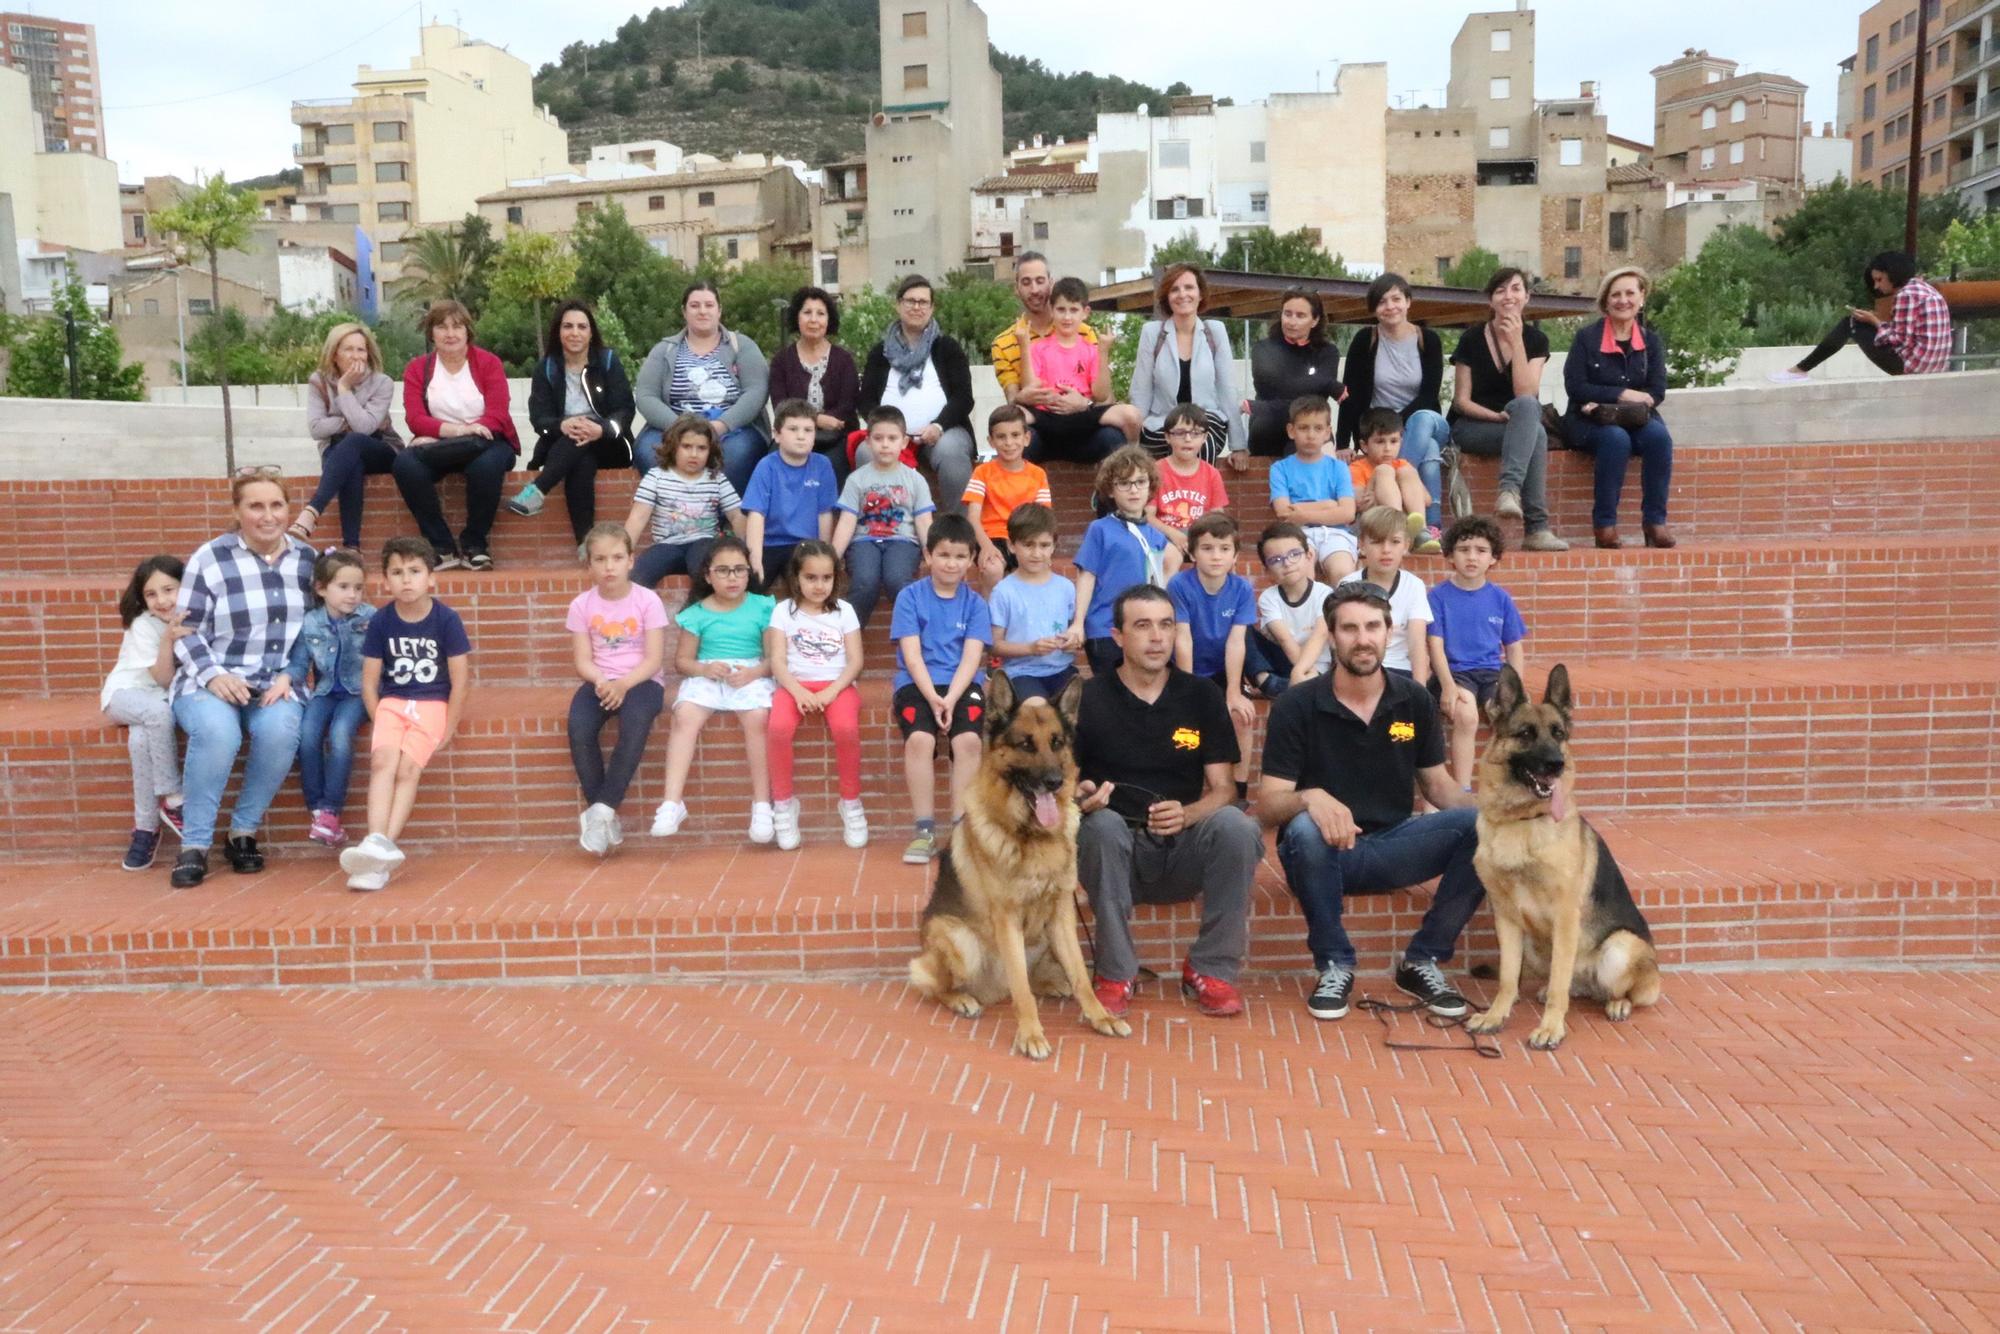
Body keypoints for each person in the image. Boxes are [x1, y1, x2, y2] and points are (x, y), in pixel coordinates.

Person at [1257, 583, 1488, 1021]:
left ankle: (1422, 961)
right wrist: (1310, 797)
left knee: (1482, 826)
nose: (1362, 638)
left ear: (1389, 631)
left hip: (1395, 845)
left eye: (1372, 627)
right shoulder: (1297, 704)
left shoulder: (1414, 700)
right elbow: (1268, 806)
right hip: (1320, 853)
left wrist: (1498, 813)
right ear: (1331, 634)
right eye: (1349, 628)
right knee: (1305, 826)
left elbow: (1438, 787)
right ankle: (1334, 965)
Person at [1075, 584, 1261, 1020]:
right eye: (1142, 626)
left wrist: (1189, 813)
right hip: (1113, 851)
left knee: (1238, 827)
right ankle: (1115, 973)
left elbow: (1224, 789)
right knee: (1100, 828)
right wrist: (1082, 796)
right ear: (1118, 637)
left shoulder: (1200, 696)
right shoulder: (1087, 698)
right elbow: (1061, 780)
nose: (1157, 637)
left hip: (1183, 850)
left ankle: (1210, 969)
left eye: (1165, 625)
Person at [165, 469, 314, 889]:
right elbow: (184, 630)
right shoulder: (210, 559)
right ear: (237, 511)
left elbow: (314, 630)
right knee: (217, 733)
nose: (268, 516)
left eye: (277, 505)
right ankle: (194, 846)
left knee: (282, 730)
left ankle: (241, 833)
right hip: (210, 679)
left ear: (288, 509)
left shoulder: (308, 560)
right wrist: (213, 676)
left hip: (275, 683)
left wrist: (292, 673)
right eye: (256, 506)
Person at [338, 536, 473, 892]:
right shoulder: (382, 621)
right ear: (385, 581)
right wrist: (378, 713)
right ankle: (376, 844)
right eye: (397, 572)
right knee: (383, 762)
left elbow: (460, 680)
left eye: (414, 571)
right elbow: (370, 682)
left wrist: (451, 725)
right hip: (393, 704)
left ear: (431, 577)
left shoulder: (447, 620)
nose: (406, 579)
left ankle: (380, 847)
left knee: (408, 769)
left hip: (431, 705)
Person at [649, 535, 777, 842]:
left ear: (749, 572)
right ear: (707, 576)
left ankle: (762, 805)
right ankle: (671, 802)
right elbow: (682, 661)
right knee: (685, 716)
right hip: (708, 674)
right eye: (722, 571)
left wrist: (754, 672)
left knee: (758, 717)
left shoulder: (763, 607)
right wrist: (705, 669)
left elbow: (775, 659)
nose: (732, 577)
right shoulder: (697, 613)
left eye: (739, 569)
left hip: (751, 671)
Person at [890, 514, 991, 864]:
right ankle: (924, 830)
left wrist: (949, 698)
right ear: (929, 555)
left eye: (961, 556)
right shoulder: (909, 597)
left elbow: (972, 658)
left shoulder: (976, 604)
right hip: (916, 684)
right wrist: (933, 697)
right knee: (921, 739)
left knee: (969, 741)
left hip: (961, 684)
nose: (952, 563)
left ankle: (963, 832)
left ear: (971, 560)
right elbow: (912, 655)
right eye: (944, 555)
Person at [1448, 269, 1569, 552]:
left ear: (1527, 297)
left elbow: (1525, 393)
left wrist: (1517, 341)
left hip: (1518, 423)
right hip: (1472, 425)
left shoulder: (1535, 340)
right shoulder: (1472, 338)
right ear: (1491, 300)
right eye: (1500, 290)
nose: (1509, 296)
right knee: (1534, 431)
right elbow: (1460, 401)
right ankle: (1536, 527)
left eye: (1516, 289)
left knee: (1529, 412)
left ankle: (1509, 491)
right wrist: (1497, 417)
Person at [566, 523, 668, 858]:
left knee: (634, 723)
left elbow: (654, 658)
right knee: (579, 727)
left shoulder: (647, 600)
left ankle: (603, 810)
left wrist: (624, 684)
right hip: (600, 680)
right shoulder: (582, 605)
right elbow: (582, 660)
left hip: (642, 681)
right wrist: (601, 681)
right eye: (600, 559)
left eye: (616, 557)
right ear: (590, 564)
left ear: (630, 561)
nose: (609, 566)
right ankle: (602, 815)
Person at [393, 300, 518, 571]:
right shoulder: (417, 369)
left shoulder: (488, 363)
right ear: (431, 333)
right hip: (442, 446)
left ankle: (475, 545)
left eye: (457, 326)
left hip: (487, 443)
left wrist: (473, 431)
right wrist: (459, 431)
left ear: (467, 332)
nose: (450, 334)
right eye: (442, 327)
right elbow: (415, 418)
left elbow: (497, 414)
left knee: (486, 467)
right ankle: (442, 547)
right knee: (405, 465)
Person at [764, 541, 868, 851]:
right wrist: (796, 691)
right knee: (778, 728)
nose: (819, 585)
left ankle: (850, 803)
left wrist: (832, 691)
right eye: (811, 578)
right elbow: (777, 661)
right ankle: (783, 804)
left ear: (836, 578)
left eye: (826, 578)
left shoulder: (844, 611)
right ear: (796, 578)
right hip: (794, 686)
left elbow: (856, 661)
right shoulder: (783, 612)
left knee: (846, 729)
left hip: (837, 686)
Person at [507, 300, 637, 541]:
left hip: (611, 445)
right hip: (565, 444)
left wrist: (601, 429)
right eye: (568, 326)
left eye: (581, 326)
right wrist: (561, 425)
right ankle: (584, 544)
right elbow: (539, 418)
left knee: (580, 440)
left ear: (591, 332)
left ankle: (538, 489)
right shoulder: (547, 368)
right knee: (581, 459)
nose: (574, 333)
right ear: (558, 331)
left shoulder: (607, 362)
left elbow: (625, 410)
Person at [1564, 266, 1674, 550]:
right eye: (1616, 295)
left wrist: (1629, 399)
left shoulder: (1651, 342)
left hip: (1635, 418)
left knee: (1659, 438)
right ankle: (1604, 525)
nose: (1623, 300)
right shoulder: (1587, 338)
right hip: (1589, 420)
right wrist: (1624, 393)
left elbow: (1656, 392)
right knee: (1616, 439)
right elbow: (1576, 387)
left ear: (1641, 298)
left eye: (1629, 293)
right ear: (1606, 301)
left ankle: (1654, 522)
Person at [633, 280, 771, 494]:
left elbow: (756, 391)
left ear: (719, 310)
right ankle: (677, 517)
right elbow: (646, 394)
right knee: (647, 453)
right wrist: (680, 427)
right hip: (672, 427)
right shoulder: (664, 350)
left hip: (732, 429)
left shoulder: (742, 346)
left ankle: (721, 522)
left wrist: (722, 425)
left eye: (709, 305)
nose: (702, 311)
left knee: (736, 455)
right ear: (684, 311)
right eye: (695, 305)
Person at [990, 251, 1127, 465]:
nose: (1034, 290)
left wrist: (1085, 404)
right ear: (1016, 289)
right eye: (1026, 282)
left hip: (1081, 427)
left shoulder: (1084, 332)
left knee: (1114, 439)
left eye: (1040, 281)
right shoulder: (1004, 342)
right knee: (1020, 441)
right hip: (1040, 428)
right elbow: (1012, 402)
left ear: (1051, 283)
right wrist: (1027, 397)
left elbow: (1105, 397)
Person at [1339, 274, 1449, 539]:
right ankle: (1429, 527)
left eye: (1396, 299)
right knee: (1430, 453)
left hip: (1425, 423)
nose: (1390, 306)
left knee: (1423, 423)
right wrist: (1343, 441)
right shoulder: (1366, 340)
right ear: (1374, 309)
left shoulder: (1428, 339)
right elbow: (1349, 394)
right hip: (1382, 430)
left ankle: (1396, 484)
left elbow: (1429, 394)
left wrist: (1397, 425)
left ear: (1408, 302)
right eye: (1381, 302)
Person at [860, 274, 978, 517]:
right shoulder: (879, 353)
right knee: (864, 452)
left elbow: (963, 397)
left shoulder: (947, 348)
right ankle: (879, 528)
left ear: (932, 307)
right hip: (891, 435)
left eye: (923, 302)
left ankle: (960, 533)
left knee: (951, 453)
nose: (916, 307)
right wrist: (888, 431)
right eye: (910, 301)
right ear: (898, 305)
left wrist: (938, 426)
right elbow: (866, 400)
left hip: (943, 432)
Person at [102, 555, 188, 871]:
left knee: (140, 741)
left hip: (154, 703)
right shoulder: (143, 625)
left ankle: (145, 829)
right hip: (123, 696)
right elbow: (163, 678)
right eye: (152, 594)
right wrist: (168, 639)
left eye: (169, 589)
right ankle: (173, 797)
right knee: (158, 715)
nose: (162, 600)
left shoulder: (194, 617)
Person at [1426, 516, 1526, 791]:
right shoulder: (1438, 597)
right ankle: (1462, 791)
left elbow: (1514, 647)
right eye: (1464, 549)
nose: (1472, 557)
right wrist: (1446, 685)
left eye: (1481, 551)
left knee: (1508, 715)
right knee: (1467, 714)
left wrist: (1516, 688)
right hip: (1457, 673)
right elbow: (1435, 645)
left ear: (1493, 558)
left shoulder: (1500, 598)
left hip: (1491, 673)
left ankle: (1508, 785)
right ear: (1450, 556)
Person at [1167, 512, 1261, 804]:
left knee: (1241, 716)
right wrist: (1189, 690)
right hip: (1183, 671)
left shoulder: (1242, 588)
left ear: (1235, 554)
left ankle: (1238, 794)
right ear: (1192, 553)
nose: (1216, 557)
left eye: (1224, 549)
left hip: (1222, 670)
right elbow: (1183, 639)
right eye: (1207, 549)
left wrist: (1233, 691)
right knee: (1185, 726)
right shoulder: (1179, 586)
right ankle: (1186, 794)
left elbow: (1236, 642)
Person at [286, 549, 374, 849]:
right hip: (325, 692)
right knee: (307, 735)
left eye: (358, 587)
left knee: (339, 734)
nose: (353, 595)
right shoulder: (310, 623)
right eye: (344, 587)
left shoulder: (370, 618)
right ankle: (318, 809)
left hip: (358, 692)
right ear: (321, 589)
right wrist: (283, 680)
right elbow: (299, 664)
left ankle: (332, 811)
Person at [1069, 446, 1182, 678]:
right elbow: (1086, 576)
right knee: (1113, 696)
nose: (1134, 490)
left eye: (1140, 482)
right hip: (1105, 628)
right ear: (1111, 490)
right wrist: (1078, 622)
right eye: (1124, 483)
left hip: (1141, 627)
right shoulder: (1099, 529)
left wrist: (1163, 584)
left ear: (1150, 486)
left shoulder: (1153, 534)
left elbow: (1175, 556)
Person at [291, 323, 402, 548]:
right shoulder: (318, 381)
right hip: (339, 451)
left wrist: (343, 389)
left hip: (380, 449)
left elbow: (364, 429)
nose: (355, 356)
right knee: (352, 463)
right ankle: (352, 548)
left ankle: (312, 512)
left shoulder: (382, 383)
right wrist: (346, 422)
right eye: (348, 349)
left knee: (354, 442)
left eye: (361, 350)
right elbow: (315, 428)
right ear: (334, 354)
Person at [1129, 262, 1249, 469]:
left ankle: (1198, 500)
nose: (1182, 294)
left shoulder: (1215, 331)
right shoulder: (1152, 333)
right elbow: (1141, 390)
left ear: (1200, 294)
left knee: (1200, 440)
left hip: (1207, 420)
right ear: (1167, 297)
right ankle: (1173, 499)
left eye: (1189, 287)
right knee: (1182, 440)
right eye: (1174, 289)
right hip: (1163, 423)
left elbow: (1227, 389)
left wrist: (1238, 445)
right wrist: (1132, 447)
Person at [1774, 250, 1952, 382]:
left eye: (1879, 279)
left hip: (1913, 369)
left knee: (1850, 323)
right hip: (1934, 367)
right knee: (1860, 323)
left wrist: (1873, 321)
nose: (1876, 286)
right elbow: (1908, 336)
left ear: (1893, 274)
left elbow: (1899, 341)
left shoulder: (1906, 295)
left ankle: (1799, 370)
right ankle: (1799, 370)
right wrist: (1876, 322)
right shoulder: (1924, 288)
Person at [1016, 276, 1141, 459]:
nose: (1067, 317)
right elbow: (1030, 387)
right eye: (1061, 310)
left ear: (1085, 312)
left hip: (1083, 420)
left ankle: (1135, 464)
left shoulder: (1092, 350)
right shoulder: (1038, 348)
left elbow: (1101, 395)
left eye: (1073, 310)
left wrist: (1104, 351)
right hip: (1046, 419)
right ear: (1051, 310)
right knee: (1007, 418)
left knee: (1130, 417)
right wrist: (1024, 347)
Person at [833, 405, 934, 626]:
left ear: (904, 442)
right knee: (864, 582)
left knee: (897, 580)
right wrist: (833, 556)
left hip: (902, 541)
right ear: (868, 442)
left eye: (892, 438)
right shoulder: (856, 479)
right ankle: (846, 636)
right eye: (878, 438)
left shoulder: (915, 480)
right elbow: (847, 521)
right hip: (864, 541)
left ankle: (914, 634)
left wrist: (931, 551)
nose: (885, 444)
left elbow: (923, 520)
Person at [625, 414, 747, 591]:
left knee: (706, 570)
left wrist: (745, 551)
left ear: (710, 450)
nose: (694, 454)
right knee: (638, 574)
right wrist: (623, 554)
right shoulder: (656, 476)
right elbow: (638, 517)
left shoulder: (716, 479)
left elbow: (736, 516)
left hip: (703, 543)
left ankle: (698, 612)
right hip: (666, 546)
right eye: (687, 446)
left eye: (702, 448)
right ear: (674, 446)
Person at [742, 399, 839, 593]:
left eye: (808, 430)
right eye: (793, 429)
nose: (801, 436)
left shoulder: (823, 465)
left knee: (807, 591)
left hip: (806, 545)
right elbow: (756, 515)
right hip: (770, 543)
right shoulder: (766, 466)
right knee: (751, 588)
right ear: (777, 435)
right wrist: (754, 558)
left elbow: (825, 514)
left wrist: (825, 554)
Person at [767, 285, 861, 485]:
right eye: (807, 312)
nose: (813, 319)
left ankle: (831, 515)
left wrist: (828, 423)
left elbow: (848, 405)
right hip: (794, 433)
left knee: (831, 466)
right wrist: (815, 420)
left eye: (820, 313)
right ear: (797, 317)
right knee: (773, 460)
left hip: (835, 436)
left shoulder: (843, 360)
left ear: (829, 320)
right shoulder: (781, 360)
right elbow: (780, 405)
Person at [987, 503, 1080, 703]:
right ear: (1011, 545)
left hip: (1063, 669)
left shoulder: (1066, 587)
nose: (1037, 553)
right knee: (1037, 711)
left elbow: (1078, 630)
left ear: (1054, 545)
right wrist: (1031, 648)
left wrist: (1074, 639)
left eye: (1044, 545)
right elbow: (994, 645)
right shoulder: (1004, 591)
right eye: (1028, 545)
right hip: (1022, 673)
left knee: (1086, 711)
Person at [1337, 506, 1438, 688]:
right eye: (1376, 542)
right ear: (1362, 545)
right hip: (1359, 669)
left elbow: (1417, 642)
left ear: (1406, 545)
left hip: (1400, 670)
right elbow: (1340, 641)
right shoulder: (1348, 585)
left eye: (1395, 542)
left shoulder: (1414, 585)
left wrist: (1420, 692)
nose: (1386, 550)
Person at [1267, 395, 1358, 584]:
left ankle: (1341, 614)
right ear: (1291, 431)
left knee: (1344, 575)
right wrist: (1329, 505)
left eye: (1318, 428)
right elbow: (1284, 512)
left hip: (1336, 534)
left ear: (1327, 433)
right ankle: (1311, 615)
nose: (1311, 435)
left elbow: (1348, 513)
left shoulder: (1338, 467)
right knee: (1300, 575)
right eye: (1303, 428)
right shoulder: (1280, 468)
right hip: (1297, 534)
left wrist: (1303, 512)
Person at [1246, 287, 1342, 457]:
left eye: (1300, 315)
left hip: (1311, 428)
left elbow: (1315, 400)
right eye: (1287, 314)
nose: (1291, 321)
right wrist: (1325, 383)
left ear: (1315, 320)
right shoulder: (1263, 349)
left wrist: (1260, 407)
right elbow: (1272, 389)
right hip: (1270, 428)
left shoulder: (1328, 352)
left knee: (1314, 443)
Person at [963, 404, 1052, 586]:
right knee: (992, 570)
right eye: (1001, 437)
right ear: (991, 441)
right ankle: (990, 613)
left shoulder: (1038, 474)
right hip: (991, 536)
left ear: (1027, 438)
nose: (1009, 443)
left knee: (1036, 572)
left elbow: (1044, 517)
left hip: (1026, 538)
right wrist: (986, 546)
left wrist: (1042, 550)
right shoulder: (982, 473)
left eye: (1015, 435)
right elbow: (972, 516)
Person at [1251, 521, 1332, 697]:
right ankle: (1266, 681)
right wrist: (1299, 673)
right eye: (1276, 560)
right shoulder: (1268, 598)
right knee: (1243, 631)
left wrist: (1304, 672)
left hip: (1318, 666)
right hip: (1285, 662)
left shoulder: (1324, 594)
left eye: (1294, 554)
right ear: (1267, 570)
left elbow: (1320, 636)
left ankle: (1298, 685)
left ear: (1309, 555)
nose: (1287, 563)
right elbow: (1285, 640)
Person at [1348, 407, 1441, 555]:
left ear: (1401, 442)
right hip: (1372, 525)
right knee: (1384, 471)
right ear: (1364, 445)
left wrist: (1400, 489)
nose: (1387, 448)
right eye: (1380, 442)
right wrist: (1377, 485)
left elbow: (1427, 500)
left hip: (1406, 528)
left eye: (1393, 441)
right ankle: (1398, 528)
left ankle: (1421, 533)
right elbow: (1358, 503)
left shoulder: (1403, 465)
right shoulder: (1357, 467)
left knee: (1406, 471)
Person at [1152, 403, 1231, 552]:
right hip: (1165, 536)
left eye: (1195, 433)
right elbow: (1148, 517)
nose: (1188, 439)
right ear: (1167, 436)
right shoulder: (1155, 471)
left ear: (1205, 437)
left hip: (1200, 536)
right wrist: (1173, 534)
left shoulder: (1211, 474)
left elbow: (1217, 516)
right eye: (1180, 433)